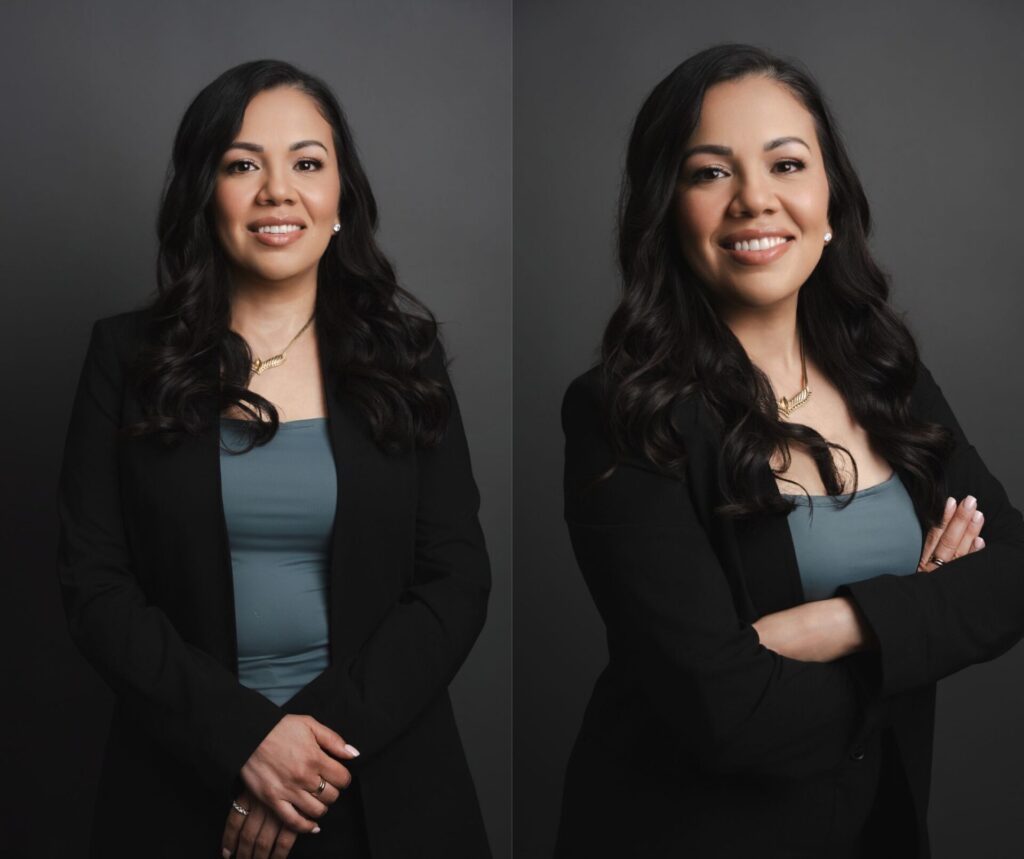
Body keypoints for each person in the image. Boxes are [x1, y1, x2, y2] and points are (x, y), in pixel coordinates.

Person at [556, 43, 1024, 858]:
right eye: (710, 173)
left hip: (878, 827)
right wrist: (919, 617)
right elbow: (727, 714)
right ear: (668, 210)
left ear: (830, 199)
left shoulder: (890, 380)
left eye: (786, 163)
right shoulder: (622, 413)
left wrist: (837, 623)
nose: (755, 201)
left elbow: (1015, 570)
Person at [57, 59, 491, 859]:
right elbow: (94, 584)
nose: (277, 190)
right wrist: (245, 739)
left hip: (382, 781)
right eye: (242, 163)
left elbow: (456, 578)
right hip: (185, 786)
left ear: (339, 200)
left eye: (307, 162)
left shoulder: (408, 355)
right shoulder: (124, 356)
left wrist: (310, 755)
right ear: (204, 194)